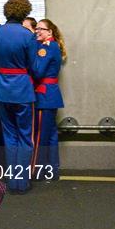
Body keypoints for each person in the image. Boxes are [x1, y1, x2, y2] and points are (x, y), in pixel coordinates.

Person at [0, 0, 38, 194]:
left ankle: (12, 181)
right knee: (25, 136)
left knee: (9, 137)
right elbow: (33, 66)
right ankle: (21, 183)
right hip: (23, 90)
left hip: (1, 89)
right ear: (25, 12)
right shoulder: (28, 35)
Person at [31, 19, 66, 180]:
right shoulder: (53, 46)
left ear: (50, 32)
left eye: (41, 29)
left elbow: (37, 72)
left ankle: (37, 171)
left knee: (40, 136)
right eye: (36, 28)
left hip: (43, 95)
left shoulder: (45, 48)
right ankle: (52, 170)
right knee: (50, 135)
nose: (37, 31)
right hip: (50, 95)